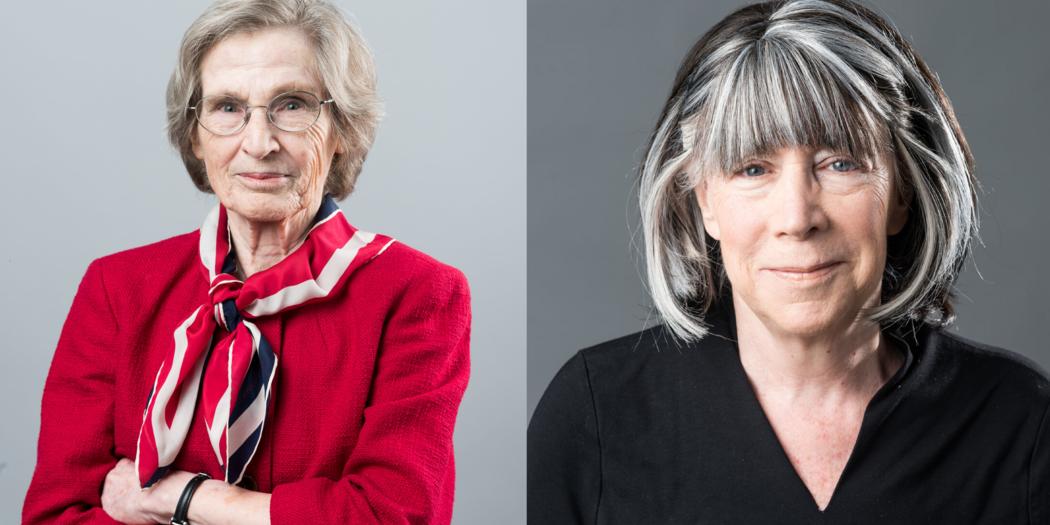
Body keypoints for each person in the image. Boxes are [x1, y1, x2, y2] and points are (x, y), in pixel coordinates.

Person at [528, 0, 1050, 522]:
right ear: (704, 199)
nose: (797, 218)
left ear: (903, 195)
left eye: (840, 163)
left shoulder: (1022, 425)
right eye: (753, 169)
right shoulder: (594, 419)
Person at [23, 1, 470, 524]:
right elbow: (57, 515)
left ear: (343, 130)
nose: (258, 144)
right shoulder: (118, 288)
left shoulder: (417, 293)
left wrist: (186, 498)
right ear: (195, 134)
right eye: (228, 108)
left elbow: (394, 517)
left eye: (294, 105)